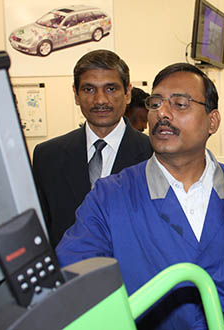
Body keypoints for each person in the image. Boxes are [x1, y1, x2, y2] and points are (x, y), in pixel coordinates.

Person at [56, 62, 224, 329]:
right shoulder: (109, 197)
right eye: (155, 103)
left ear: (212, 121)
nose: (163, 113)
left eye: (180, 104)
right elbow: (73, 282)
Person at [33, 49, 153, 248]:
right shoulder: (47, 156)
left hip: (138, 278)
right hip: (70, 275)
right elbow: (42, 231)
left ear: (128, 93)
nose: (100, 100)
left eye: (111, 89)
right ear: (76, 95)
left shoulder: (155, 155)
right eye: (89, 89)